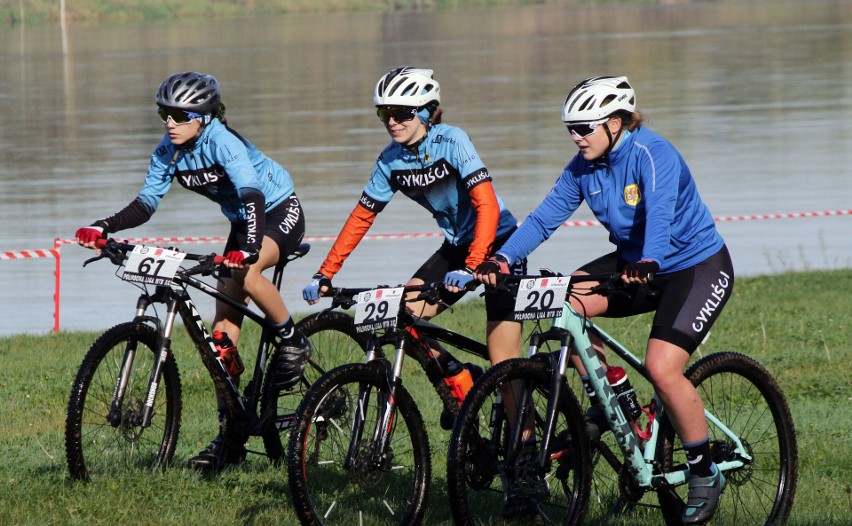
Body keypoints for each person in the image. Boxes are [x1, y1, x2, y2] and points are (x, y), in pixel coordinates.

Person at [476, 76, 734, 524]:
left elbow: (660, 212)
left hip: (694, 266)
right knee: (563, 302)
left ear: (616, 122)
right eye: (570, 129)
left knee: (662, 367)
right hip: (636, 265)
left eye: (584, 127)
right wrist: (501, 258)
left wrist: (650, 258)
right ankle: (614, 400)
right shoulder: (583, 166)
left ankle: (703, 469)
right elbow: (541, 220)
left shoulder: (653, 154)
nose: (576, 137)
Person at [74, 71, 311, 471]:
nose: (170, 123)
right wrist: (104, 226)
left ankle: (292, 339)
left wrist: (249, 249)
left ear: (202, 116)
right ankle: (231, 436)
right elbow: (146, 203)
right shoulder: (168, 151)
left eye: (180, 116)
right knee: (221, 341)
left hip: (277, 211)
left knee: (249, 276)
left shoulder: (224, 141)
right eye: (164, 114)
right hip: (244, 223)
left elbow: (251, 195)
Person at [302, 66, 526, 424]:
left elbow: (487, 205)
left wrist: (473, 265)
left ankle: (526, 456)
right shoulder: (391, 159)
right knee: (403, 317)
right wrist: (324, 272)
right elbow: (361, 217)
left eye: (401, 113)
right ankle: (459, 381)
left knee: (504, 364)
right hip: (455, 246)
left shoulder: (453, 141)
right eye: (384, 114)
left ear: (425, 112)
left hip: (498, 245)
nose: (392, 121)